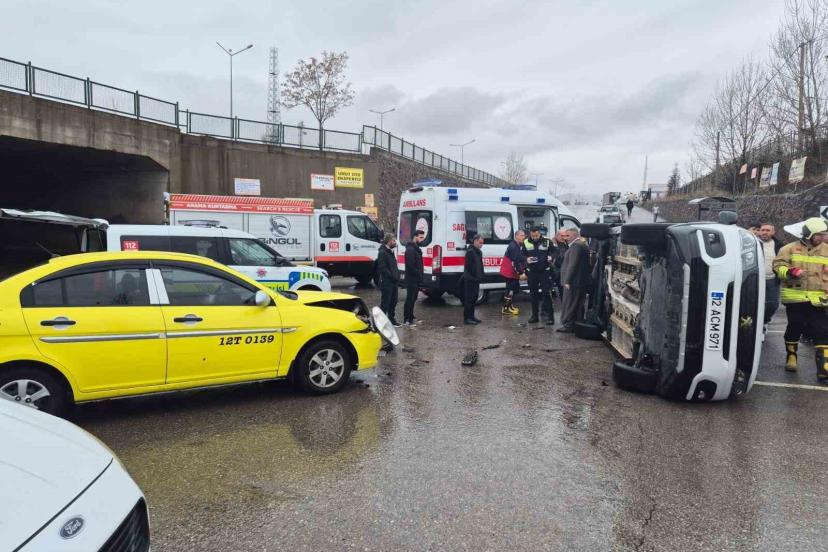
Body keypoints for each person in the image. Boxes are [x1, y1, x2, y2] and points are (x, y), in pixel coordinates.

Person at [772, 217, 828, 378]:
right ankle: (791, 356)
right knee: (795, 326)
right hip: (795, 297)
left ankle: (824, 369)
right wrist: (789, 272)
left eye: (824, 234)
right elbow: (778, 266)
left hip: (820, 299)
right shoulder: (789, 249)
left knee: (822, 330)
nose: (823, 237)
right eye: (819, 234)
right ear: (808, 234)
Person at [557, 228, 591, 333]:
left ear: (573, 235)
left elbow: (573, 264)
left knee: (570, 303)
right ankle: (576, 324)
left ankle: (568, 325)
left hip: (574, 281)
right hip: (579, 281)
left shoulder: (576, 246)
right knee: (577, 303)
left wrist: (567, 281)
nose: (565, 238)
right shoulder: (581, 244)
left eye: (567, 236)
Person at [522, 226, 556, 324]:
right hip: (532, 272)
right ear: (530, 234)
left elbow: (555, 251)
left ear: (540, 233)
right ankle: (534, 316)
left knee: (546, 294)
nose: (535, 237)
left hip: (544, 271)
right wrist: (526, 259)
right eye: (533, 236)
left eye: (536, 235)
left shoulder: (547, 241)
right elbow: (522, 254)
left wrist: (551, 257)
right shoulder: (526, 242)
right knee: (533, 295)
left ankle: (550, 317)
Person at [757, 222, 782, 326]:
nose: (764, 232)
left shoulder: (779, 245)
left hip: (772, 279)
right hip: (755, 279)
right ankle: (755, 323)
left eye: (767, 230)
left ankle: (764, 321)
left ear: (773, 232)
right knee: (753, 303)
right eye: (762, 230)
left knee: (772, 304)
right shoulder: (753, 243)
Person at [377, 233, 401, 327]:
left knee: (394, 301)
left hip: (394, 282)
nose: (395, 242)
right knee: (385, 303)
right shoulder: (382, 252)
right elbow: (382, 268)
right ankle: (380, 322)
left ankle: (391, 319)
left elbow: (393, 266)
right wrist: (391, 276)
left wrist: (397, 276)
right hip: (387, 282)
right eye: (393, 240)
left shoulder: (390, 251)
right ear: (388, 241)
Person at [499, 230, 525, 315]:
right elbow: (515, 262)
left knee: (512, 290)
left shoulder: (516, 245)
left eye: (524, 236)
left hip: (510, 271)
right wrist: (521, 273)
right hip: (509, 271)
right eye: (521, 235)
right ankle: (506, 308)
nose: (523, 237)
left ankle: (510, 306)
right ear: (516, 236)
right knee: (510, 290)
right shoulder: (514, 246)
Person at [403, 230, 425, 325]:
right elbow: (410, 266)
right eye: (420, 237)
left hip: (416, 279)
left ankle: (411, 316)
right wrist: (418, 274)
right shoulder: (410, 250)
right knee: (410, 298)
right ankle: (407, 319)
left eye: (422, 237)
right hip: (412, 279)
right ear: (415, 237)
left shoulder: (416, 249)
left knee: (414, 298)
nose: (422, 239)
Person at [463, 234, 485, 325]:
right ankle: (467, 318)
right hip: (470, 280)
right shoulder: (470, 252)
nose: (481, 245)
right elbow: (468, 267)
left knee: (474, 298)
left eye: (482, 243)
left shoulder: (478, 252)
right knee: (469, 299)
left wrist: (481, 275)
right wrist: (473, 277)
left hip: (476, 279)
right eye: (480, 243)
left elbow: (480, 265)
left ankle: (472, 316)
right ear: (475, 241)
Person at [552, 229, 569, 299]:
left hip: (565, 270)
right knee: (562, 289)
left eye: (565, 235)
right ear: (557, 235)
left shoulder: (566, 243)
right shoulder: (552, 244)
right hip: (557, 271)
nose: (564, 237)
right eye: (562, 236)